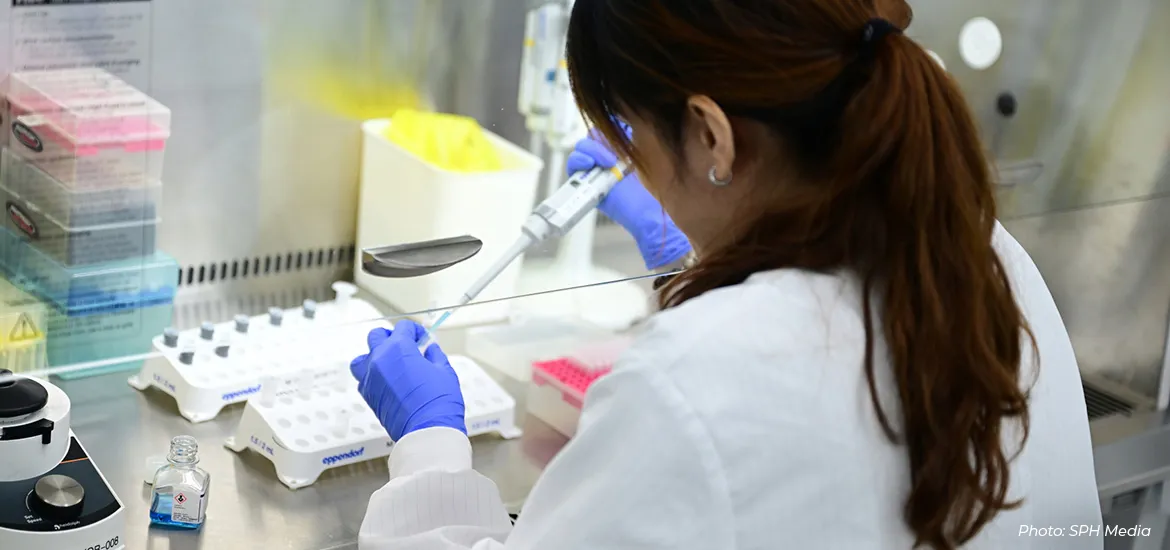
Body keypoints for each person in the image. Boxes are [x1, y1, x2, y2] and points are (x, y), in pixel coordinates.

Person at [348, 0, 1103, 548]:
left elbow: (750, 393)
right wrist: (688, 265)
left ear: (712, 135)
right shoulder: (986, 253)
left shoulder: (688, 384)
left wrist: (432, 455)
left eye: (633, 142)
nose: (633, 170)